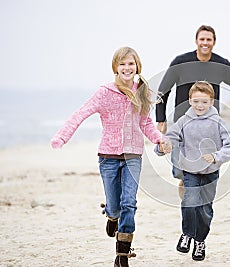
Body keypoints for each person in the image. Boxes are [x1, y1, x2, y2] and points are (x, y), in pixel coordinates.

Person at [50, 47, 170, 267]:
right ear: (115, 67)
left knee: (129, 204)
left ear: (137, 67)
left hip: (133, 155)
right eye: (122, 64)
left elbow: (145, 123)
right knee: (115, 206)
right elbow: (81, 113)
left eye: (131, 64)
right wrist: (62, 137)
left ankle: (122, 255)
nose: (127, 68)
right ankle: (111, 216)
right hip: (108, 157)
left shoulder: (142, 91)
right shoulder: (104, 92)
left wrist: (159, 139)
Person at [156, 24, 230, 197]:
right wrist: (161, 118)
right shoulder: (181, 62)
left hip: (210, 125)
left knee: (205, 164)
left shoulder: (221, 64)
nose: (205, 43)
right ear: (196, 41)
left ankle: (195, 192)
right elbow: (163, 90)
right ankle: (184, 180)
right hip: (182, 123)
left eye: (209, 39)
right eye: (202, 39)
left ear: (214, 42)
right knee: (179, 169)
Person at [155, 81, 230, 261]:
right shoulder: (184, 121)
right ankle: (187, 234)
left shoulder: (218, 122)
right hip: (189, 170)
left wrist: (216, 156)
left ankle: (200, 241)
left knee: (205, 208)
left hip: (211, 171)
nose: (200, 106)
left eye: (205, 102)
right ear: (190, 101)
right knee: (190, 201)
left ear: (211, 102)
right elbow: (170, 138)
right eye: (196, 101)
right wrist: (162, 148)